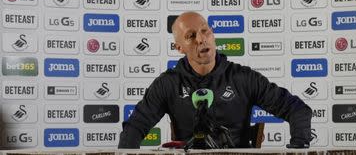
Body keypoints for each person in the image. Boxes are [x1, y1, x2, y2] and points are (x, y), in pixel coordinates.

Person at [118, 11, 312, 148]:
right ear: (179, 48)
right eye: (191, 36)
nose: (201, 39)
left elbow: (297, 109)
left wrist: (298, 147)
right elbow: (135, 126)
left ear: (212, 33)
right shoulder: (168, 84)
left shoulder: (243, 78)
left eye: (205, 31)